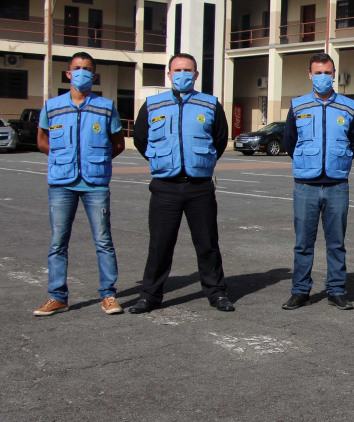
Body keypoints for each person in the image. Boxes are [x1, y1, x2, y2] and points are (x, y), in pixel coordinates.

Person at [128, 53, 234, 314]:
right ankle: (150, 295)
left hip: (199, 186)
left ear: (196, 75)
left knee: (207, 243)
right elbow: (141, 140)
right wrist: (164, 161)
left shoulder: (209, 105)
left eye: (188, 70)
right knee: (160, 244)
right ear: (169, 74)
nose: (183, 74)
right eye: (178, 70)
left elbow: (219, 140)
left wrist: (200, 163)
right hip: (165, 186)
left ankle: (216, 292)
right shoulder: (153, 105)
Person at [33, 52, 126, 316]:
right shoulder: (52, 106)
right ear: (68, 73)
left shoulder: (106, 106)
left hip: (95, 184)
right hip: (62, 183)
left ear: (94, 76)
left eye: (87, 68)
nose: (82, 72)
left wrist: (97, 161)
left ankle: (108, 295)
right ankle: (57, 296)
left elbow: (117, 144)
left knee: (103, 240)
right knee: (58, 243)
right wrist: (63, 159)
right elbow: (42, 141)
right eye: (77, 68)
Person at [281, 53, 354, 311]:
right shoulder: (298, 106)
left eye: (327, 72)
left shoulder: (348, 107)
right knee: (303, 243)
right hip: (305, 184)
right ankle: (300, 291)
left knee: (336, 243)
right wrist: (310, 163)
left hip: (337, 184)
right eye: (318, 72)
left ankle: (336, 290)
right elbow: (290, 143)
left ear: (334, 74)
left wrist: (340, 160)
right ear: (310, 75)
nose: (323, 77)